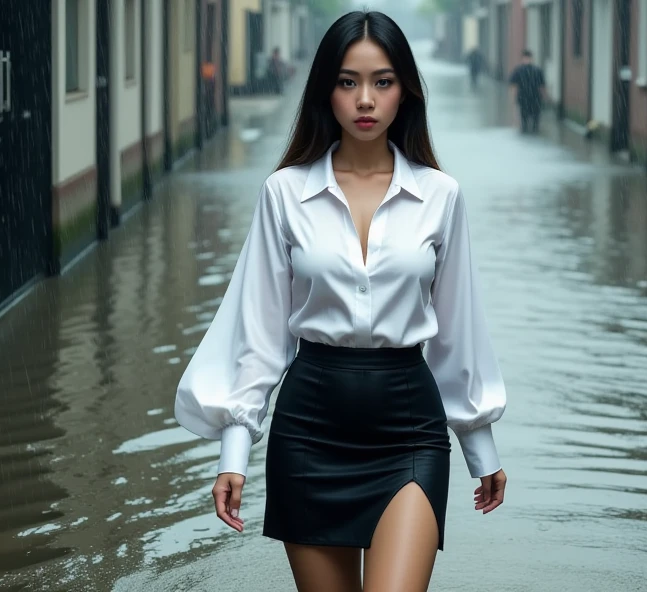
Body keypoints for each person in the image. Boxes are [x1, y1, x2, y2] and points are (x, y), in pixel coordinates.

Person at [174, 10, 508, 592]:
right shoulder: (284, 192)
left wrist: (479, 446)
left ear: (405, 90)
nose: (365, 100)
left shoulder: (440, 195)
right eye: (347, 81)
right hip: (309, 429)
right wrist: (234, 453)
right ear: (325, 89)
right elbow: (259, 334)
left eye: (382, 81)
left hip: (409, 430)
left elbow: (457, 332)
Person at [508, 50, 547, 134]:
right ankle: (533, 132)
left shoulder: (519, 70)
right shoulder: (536, 70)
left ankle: (528, 131)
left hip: (527, 98)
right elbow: (542, 86)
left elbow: (514, 85)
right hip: (532, 98)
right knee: (532, 118)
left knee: (527, 118)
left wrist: (513, 98)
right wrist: (544, 96)